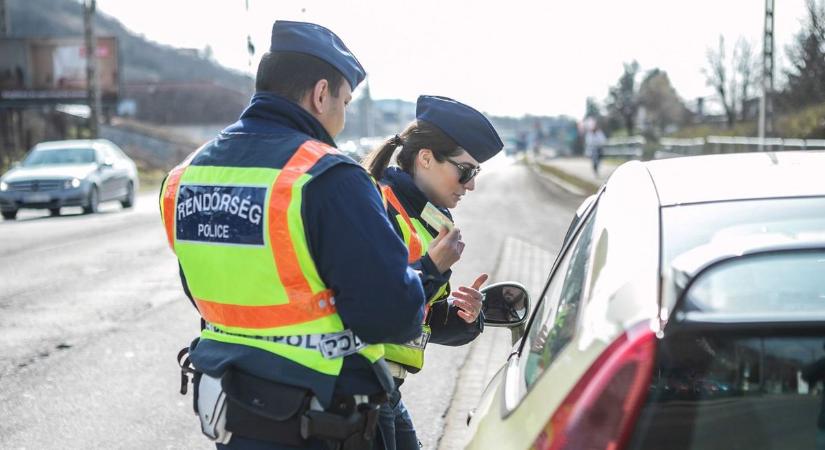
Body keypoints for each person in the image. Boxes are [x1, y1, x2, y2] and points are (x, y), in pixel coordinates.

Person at [159, 21, 428, 450]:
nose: (342, 117)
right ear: (321, 94)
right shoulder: (329, 176)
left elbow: (200, 290)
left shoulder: (183, 177)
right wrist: (419, 275)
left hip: (235, 411)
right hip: (323, 417)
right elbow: (391, 316)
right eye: (344, 101)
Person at [363, 95, 504, 450]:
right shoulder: (374, 205)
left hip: (387, 389)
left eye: (475, 173)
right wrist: (431, 269)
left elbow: (422, 317)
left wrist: (464, 317)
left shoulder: (432, 219)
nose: (470, 184)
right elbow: (375, 308)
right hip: (360, 385)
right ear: (426, 158)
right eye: (466, 171)